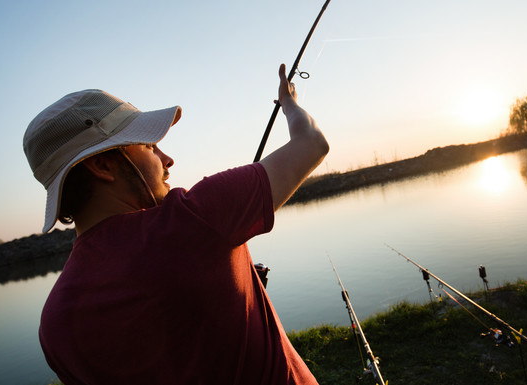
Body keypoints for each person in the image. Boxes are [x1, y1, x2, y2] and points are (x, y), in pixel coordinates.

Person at [23, 64, 329, 384]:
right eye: (148, 145)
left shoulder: (55, 325)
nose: (167, 159)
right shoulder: (195, 219)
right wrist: (289, 103)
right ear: (102, 165)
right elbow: (312, 141)